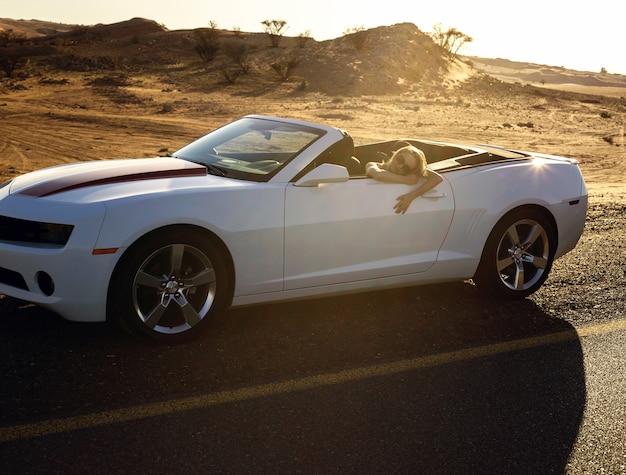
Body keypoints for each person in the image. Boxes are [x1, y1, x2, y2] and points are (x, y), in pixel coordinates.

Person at [365, 144, 443, 214]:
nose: (400, 166)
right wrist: (406, 180)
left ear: (411, 171)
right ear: (397, 154)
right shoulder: (373, 165)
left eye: (406, 168)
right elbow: (378, 175)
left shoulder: (412, 175)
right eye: (400, 159)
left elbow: (437, 178)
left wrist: (412, 195)